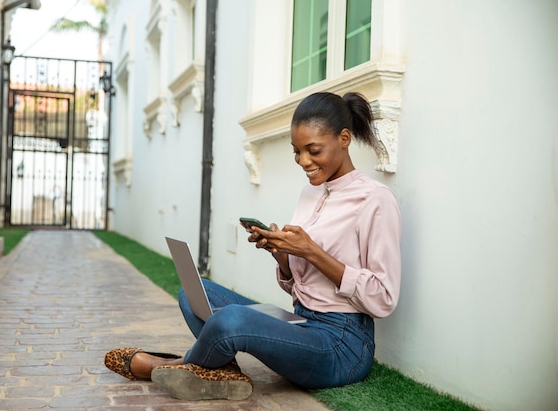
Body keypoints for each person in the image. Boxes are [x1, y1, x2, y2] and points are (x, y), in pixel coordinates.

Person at [104, 91, 402, 401]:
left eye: (313, 150)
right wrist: (283, 255)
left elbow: (384, 298)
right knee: (194, 293)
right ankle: (223, 374)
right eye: (297, 151)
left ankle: (171, 364)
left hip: (343, 345)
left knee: (231, 319)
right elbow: (299, 286)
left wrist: (310, 250)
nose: (304, 161)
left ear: (344, 138)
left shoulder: (375, 200)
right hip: (301, 322)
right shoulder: (311, 193)